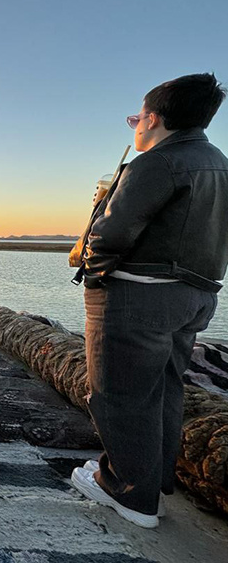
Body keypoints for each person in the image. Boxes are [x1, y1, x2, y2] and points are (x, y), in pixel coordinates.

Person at [73, 73, 228, 529]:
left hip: (139, 295)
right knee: (162, 392)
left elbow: (111, 233)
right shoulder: (219, 164)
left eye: (136, 118)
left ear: (154, 118)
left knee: (119, 396)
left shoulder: (157, 163)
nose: (135, 126)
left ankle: (129, 493)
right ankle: (152, 486)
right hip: (195, 296)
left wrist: (93, 273)